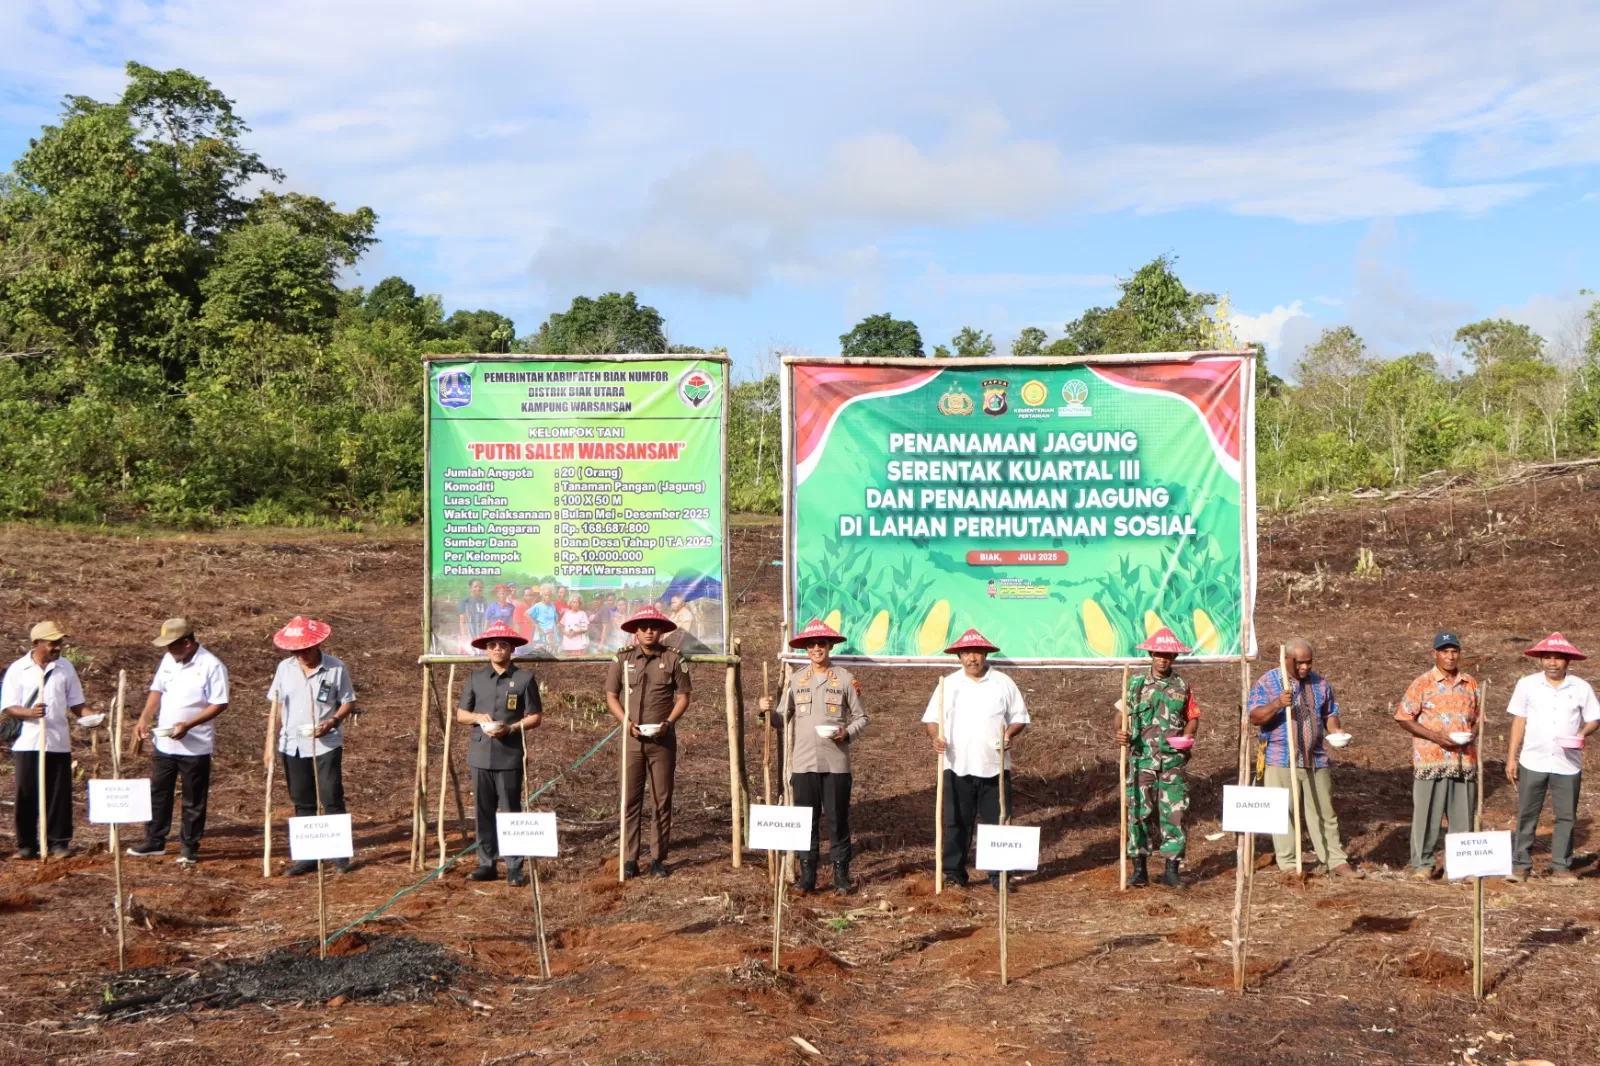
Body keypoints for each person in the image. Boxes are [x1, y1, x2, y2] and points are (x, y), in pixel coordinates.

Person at [759, 618, 868, 894]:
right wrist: (765, 711)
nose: (817, 648)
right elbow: (781, 719)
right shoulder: (797, 680)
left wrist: (847, 732)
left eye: (821, 644)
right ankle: (807, 877)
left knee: (837, 820)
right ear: (806, 650)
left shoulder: (844, 678)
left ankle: (841, 877)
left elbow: (862, 717)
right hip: (804, 762)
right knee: (805, 820)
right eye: (811, 645)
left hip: (836, 763)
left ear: (829, 646)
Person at [922, 629, 1029, 890]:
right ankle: (954, 874)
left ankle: (999, 874)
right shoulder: (948, 684)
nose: (972, 658)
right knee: (957, 821)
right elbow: (931, 720)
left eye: (977, 653)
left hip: (994, 765)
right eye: (967, 653)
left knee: (998, 821)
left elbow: (1019, 717)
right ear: (959, 656)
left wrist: (1009, 733)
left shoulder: (1003, 682)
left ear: (985, 655)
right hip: (957, 765)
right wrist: (935, 737)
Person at [1246, 638, 1359, 878]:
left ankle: (1335, 859)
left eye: (1309, 662)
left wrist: (1336, 730)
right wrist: (1277, 703)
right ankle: (1289, 863)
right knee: (1283, 812)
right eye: (1300, 663)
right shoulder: (1267, 682)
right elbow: (1254, 717)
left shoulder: (1320, 684)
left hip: (1315, 757)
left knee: (1323, 810)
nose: (1305, 667)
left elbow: (1330, 713)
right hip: (1279, 757)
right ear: (1286, 659)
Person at [130, 618, 230, 866]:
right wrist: (144, 718)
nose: (167, 650)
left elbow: (219, 703)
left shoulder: (211, 665)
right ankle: (154, 841)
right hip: (164, 743)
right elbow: (157, 690)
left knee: (193, 797)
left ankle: (189, 847)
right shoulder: (169, 660)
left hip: (195, 745)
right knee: (159, 792)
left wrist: (189, 725)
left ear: (187, 643)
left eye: (171, 645)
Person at [265, 616, 358, 876]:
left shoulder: (335, 668)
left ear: (317, 645)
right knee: (302, 800)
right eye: (296, 651)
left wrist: (333, 721)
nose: (301, 655)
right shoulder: (285, 668)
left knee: (331, 796)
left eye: (305, 650)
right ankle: (308, 857)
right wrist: (270, 742)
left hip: (326, 743)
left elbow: (348, 701)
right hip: (292, 744)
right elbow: (278, 706)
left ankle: (340, 856)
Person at [1505, 632, 1600, 883]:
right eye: (1548, 657)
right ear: (1540, 660)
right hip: (1532, 759)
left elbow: (1594, 718)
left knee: (1566, 815)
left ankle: (1561, 867)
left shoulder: (1581, 688)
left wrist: (1581, 733)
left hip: (1567, 762)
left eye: (1558, 658)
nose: (1552, 663)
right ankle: (1521, 865)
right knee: (1527, 812)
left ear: (1568, 661)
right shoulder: (1527, 685)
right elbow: (1519, 720)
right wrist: (1511, 757)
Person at [605, 604, 691, 878]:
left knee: (661, 799)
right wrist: (626, 723)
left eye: (654, 627)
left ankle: (657, 858)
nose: (649, 631)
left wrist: (668, 723)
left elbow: (684, 697)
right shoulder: (622, 659)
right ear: (636, 632)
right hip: (632, 741)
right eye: (643, 627)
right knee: (630, 800)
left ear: (662, 631)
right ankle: (629, 858)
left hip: (662, 741)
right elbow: (610, 696)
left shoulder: (674, 659)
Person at [457, 620, 542, 885]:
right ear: (486, 649)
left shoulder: (524, 678)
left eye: (502, 645)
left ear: (511, 648)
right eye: (492, 645)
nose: (497, 649)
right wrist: (477, 717)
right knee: (483, 811)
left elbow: (535, 716)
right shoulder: (475, 677)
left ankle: (515, 866)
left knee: (510, 810)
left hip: (509, 754)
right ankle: (486, 863)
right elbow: (460, 714)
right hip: (480, 753)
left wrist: (513, 728)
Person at [1117, 627, 1200, 888]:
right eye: (1159, 654)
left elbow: (1193, 718)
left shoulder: (1182, 686)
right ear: (1151, 654)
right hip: (1141, 759)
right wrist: (1121, 732)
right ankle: (1139, 869)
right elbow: (1121, 714)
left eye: (1168, 655)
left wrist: (1187, 738)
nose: (1163, 659)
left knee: (1174, 814)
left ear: (1174, 658)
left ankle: (1172, 870)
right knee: (1138, 813)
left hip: (1173, 761)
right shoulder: (1135, 685)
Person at [1394, 631, 1481, 880]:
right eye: (1445, 651)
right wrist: (1434, 736)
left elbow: (1478, 719)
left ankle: (1460, 866)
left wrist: (1472, 734)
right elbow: (1403, 716)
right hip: (1430, 759)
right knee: (1427, 816)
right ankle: (1423, 865)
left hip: (1463, 761)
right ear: (1435, 654)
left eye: (1454, 651)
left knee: (1463, 815)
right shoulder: (1422, 683)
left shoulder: (1470, 683)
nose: (1450, 656)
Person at [2, 621, 86, 859]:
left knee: (59, 793)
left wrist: (91, 717)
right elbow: (8, 707)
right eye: (53, 643)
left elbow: (76, 703)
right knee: (26, 792)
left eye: (59, 642)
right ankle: (26, 844)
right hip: (28, 741)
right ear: (37, 643)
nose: (58, 647)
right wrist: (30, 713)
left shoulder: (65, 668)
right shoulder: (19, 670)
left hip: (57, 740)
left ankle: (58, 842)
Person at [458, 579, 488, 653]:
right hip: (469, 634)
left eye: (480, 587)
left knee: (482, 654)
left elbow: (486, 619)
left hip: (481, 634)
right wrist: (464, 635)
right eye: (475, 586)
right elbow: (462, 619)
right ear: (470, 588)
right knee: (470, 654)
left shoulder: (483, 601)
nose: (478, 588)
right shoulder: (465, 601)